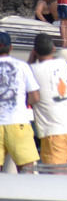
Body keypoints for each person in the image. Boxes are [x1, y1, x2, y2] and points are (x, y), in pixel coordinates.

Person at [30, 33, 67, 165]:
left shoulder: (32, 70)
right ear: (53, 49)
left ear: (35, 52)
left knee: (55, 176)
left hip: (53, 131)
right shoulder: (62, 64)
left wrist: (31, 60)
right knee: (65, 171)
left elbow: (28, 88)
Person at [0, 32, 41, 173]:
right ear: (11, 47)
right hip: (18, 123)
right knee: (27, 170)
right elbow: (35, 97)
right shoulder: (22, 66)